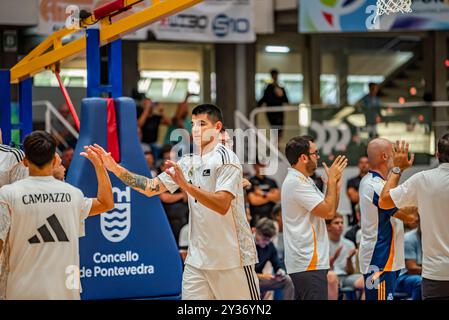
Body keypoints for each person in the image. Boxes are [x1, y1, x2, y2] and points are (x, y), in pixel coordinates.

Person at [91, 104, 259, 300]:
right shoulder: (186, 162)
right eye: (193, 124)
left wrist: (186, 186)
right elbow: (150, 187)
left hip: (232, 260)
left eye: (202, 124)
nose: (195, 129)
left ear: (217, 127)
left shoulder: (226, 158)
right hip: (197, 262)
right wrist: (115, 168)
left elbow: (222, 205)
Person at [0, 131, 114, 300]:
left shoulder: (8, 195)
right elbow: (106, 203)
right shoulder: (73, 195)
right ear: (54, 160)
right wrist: (100, 167)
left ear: (24, 161)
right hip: (66, 291)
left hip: (21, 289)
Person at [379, 135, 449, 300]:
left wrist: (397, 169)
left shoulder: (423, 179)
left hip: (435, 274)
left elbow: (384, 201)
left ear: (437, 154)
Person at [281, 135, 348, 300]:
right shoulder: (297, 183)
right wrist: (331, 182)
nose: (318, 157)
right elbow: (328, 213)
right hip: (308, 261)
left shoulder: (305, 180)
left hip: (308, 262)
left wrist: (335, 187)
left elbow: (329, 209)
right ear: (303, 157)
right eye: (315, 153)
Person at [358, 138, 418, 301]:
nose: (397, 154)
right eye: (393, 151)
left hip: (387, 257)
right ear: (385, 156)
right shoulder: (373, 185)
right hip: (379, 257)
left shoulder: (382, 183)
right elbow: (408, 215)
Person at [254, 218, 294, 300]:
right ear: (256, 231)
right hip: (247, 281)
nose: (266, 243)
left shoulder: (269, 246)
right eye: (264, 239)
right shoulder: (247, 244)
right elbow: (242, 272)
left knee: (287, 280)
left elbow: (277, 262)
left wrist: (280, 271)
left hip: (261, 281)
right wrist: (261, 276)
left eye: (268, 240)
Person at [326, 214, 364, 296]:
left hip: (346, 277)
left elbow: (351, 272)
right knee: (331, 277)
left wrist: (348, 259)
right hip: (329, 277)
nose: (340, 225)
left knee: (369, 282)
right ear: (328, 227)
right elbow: (323, 271)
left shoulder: (349, 244)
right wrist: (332, 260)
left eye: (342, 223)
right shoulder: (322, 244)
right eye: (336, 223)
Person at [247, 159, 280, 226]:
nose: (262, 167)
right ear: (254, 166)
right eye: (260, 165)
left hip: (271, 218)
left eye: (263, 165)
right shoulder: (250, 181)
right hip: (256, 219)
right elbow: (253, 200)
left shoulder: (272, 181)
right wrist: (270, 196)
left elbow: (277, 198)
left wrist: (262, 194)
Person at [257, 69, 289, 137]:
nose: (275, 77)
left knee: (279, 130)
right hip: (271, 113)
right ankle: (276, 145)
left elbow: (286, 100)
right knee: (274, 129)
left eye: (276, 75)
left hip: (279, 112)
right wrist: (257, 106)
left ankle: (277, 145)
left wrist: (281, 95)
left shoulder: (281, 88)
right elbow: (264, 98)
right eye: (273, 75)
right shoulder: (268, 88)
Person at [396, 222, 422, 300]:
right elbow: (412, 268)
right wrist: (435, 270)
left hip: (422, 274)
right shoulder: (409, 238)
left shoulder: (432, 238)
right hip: (403, 277)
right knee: (420, 281)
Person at [346, 156, 369, 226]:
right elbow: (354, 198)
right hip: (356, 220)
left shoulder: (375, 179)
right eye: (361, 163)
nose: (364, 165)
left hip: (372, 219)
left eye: (366, 163)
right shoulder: (351, 182)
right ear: (358, 165)